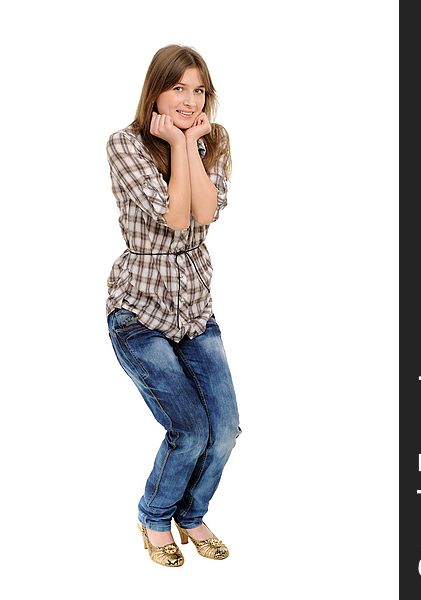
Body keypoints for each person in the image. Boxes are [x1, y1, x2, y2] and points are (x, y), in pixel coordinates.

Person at [105, 44, 242, 567]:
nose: (189, 99)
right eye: (178, 88)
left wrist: (187, 145)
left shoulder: (213, 141)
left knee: (225, 429)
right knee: (189, 430)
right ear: (156, 90)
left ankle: (192, 513)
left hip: (194, 308)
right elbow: (175, 218)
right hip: (139, 312)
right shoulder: (125, 143)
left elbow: (204, 210)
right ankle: (155, 515)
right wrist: (182, 145)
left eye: (199, 90)